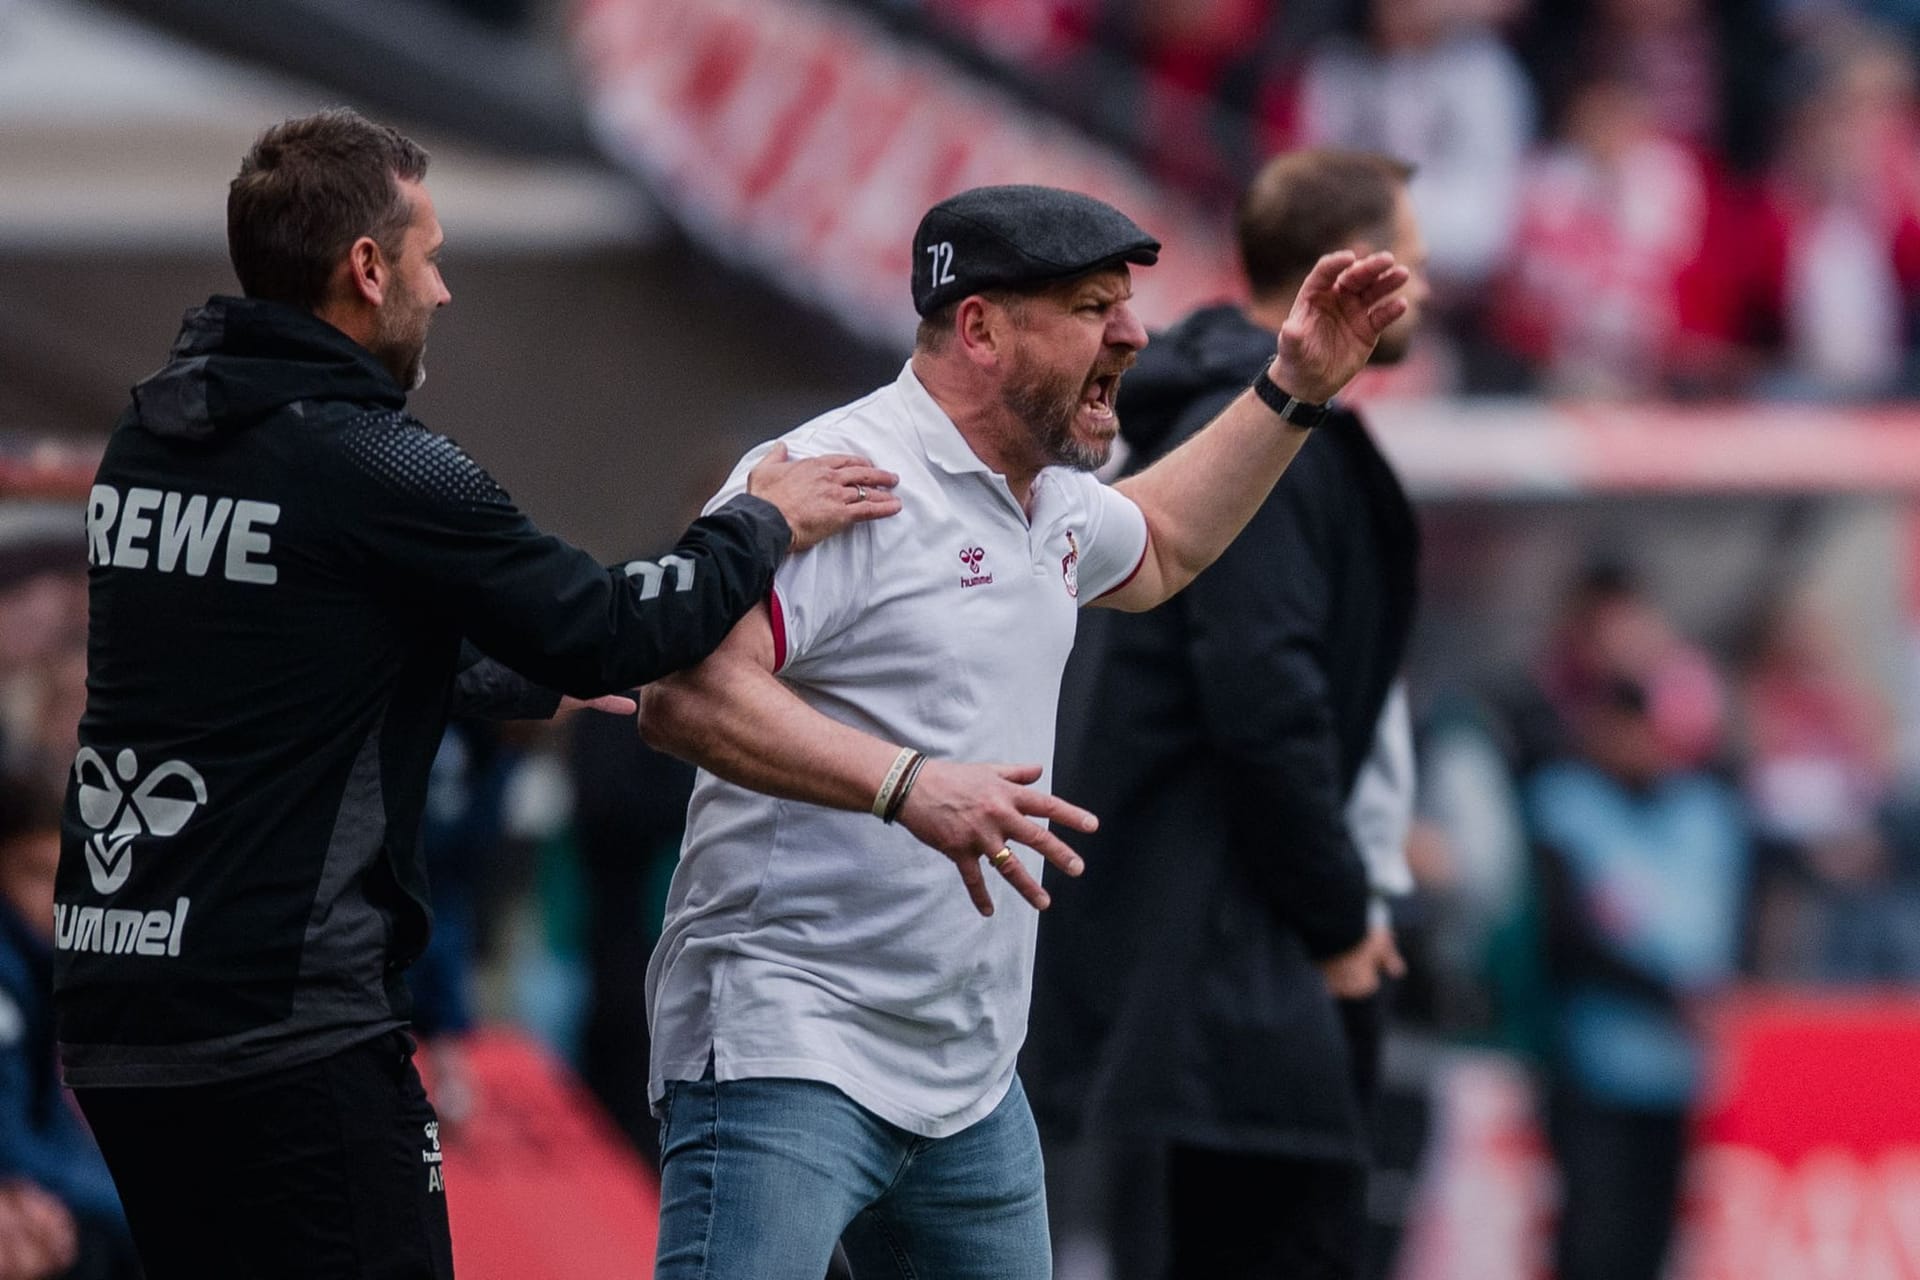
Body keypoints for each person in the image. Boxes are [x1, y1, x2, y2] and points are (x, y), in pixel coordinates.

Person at [52, 107, 898, 1280]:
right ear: (365, 268)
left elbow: (311, 649)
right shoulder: (375, 460)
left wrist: (521, 677)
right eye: (430, 256)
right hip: (290, 1029)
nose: (443, 290)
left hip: (118, 1008)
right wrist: (762, 520)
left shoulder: (154, 438)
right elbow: (606, 624)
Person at [637, 182, 1412, 1278]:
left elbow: (1166, 546)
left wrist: (1292, 389)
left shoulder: (1042, 492)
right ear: (982, 328)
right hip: (789, 1041)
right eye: (1096, 306)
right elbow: (684, 695)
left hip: (967, 1076)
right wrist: (909, 782)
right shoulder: (840, 474)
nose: (1135, 334)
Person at [1020, 148, 1430, 1280]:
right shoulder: (1261, 445)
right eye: (1419, 260)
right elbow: (1266, 702)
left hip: (1214, 981)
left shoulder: (1220, 423)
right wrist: (1339, 921)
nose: (1430, 291)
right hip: (1234, 993)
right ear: (1360, 270)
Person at [0, 771, 137, 1280]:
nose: (56, 904)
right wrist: (125, 1202)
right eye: (37, 874)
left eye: (69, 879)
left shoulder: (43, 969)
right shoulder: (9, 970)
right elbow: (11, 1142)